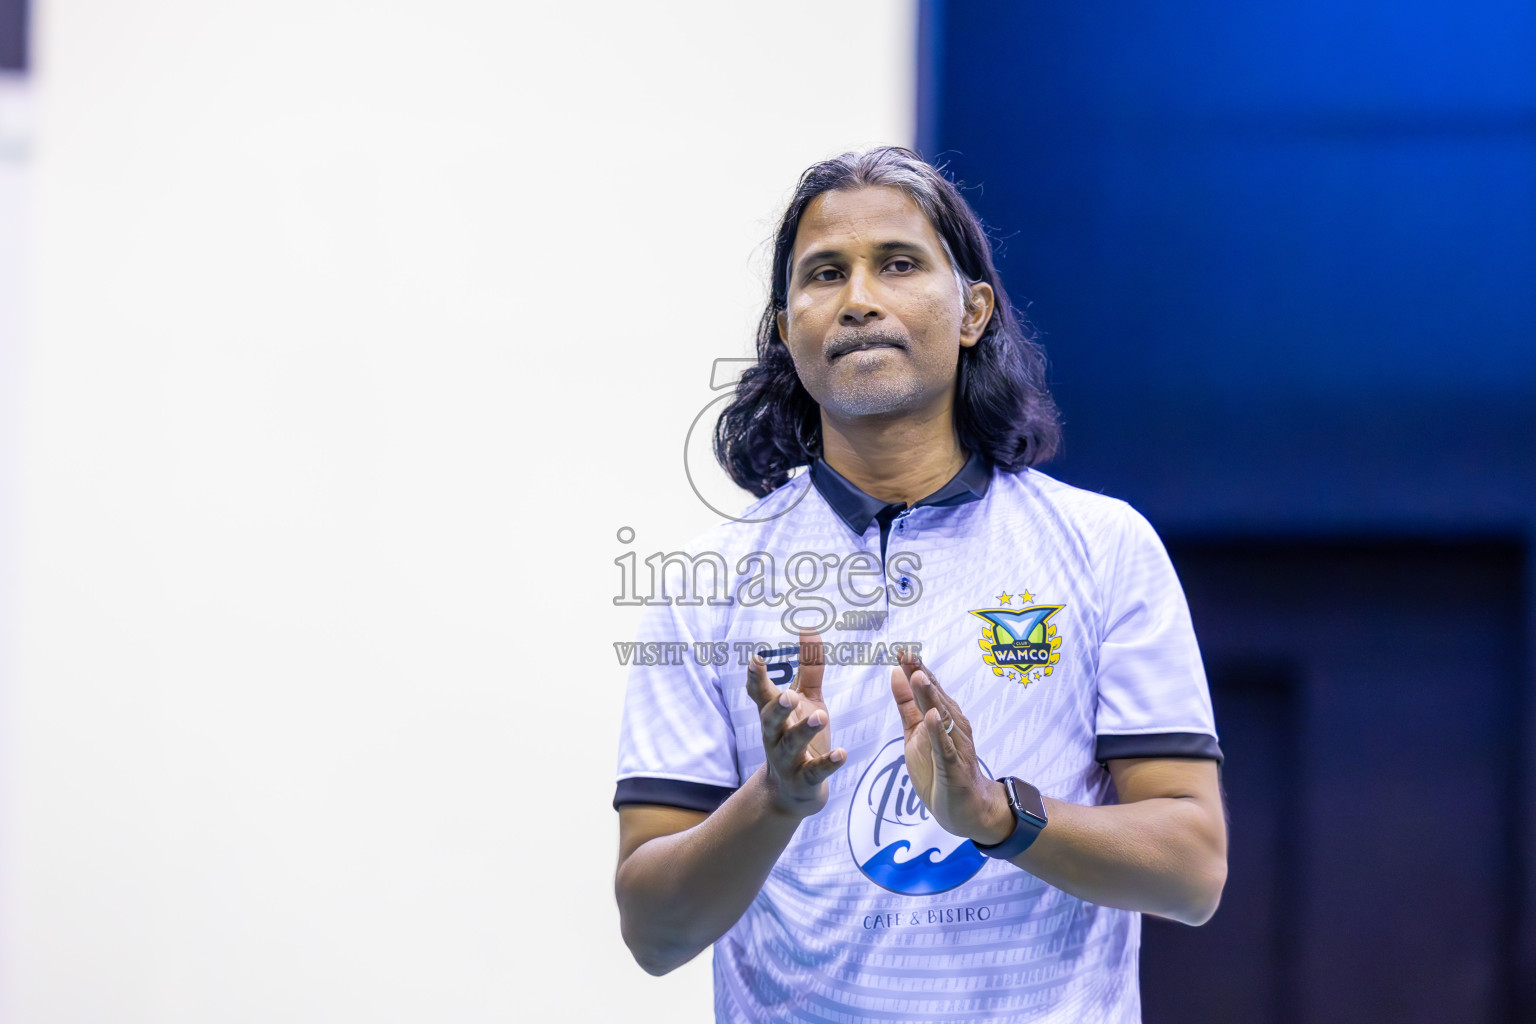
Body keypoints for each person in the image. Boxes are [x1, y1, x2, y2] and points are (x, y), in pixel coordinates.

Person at [612, 146, 1226, 1024]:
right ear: (789, 330)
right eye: (825, 274)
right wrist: (775, 798)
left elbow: (1192, 870)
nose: (859, 298)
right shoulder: (708, 584)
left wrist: (995, 814)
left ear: (973, 309)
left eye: (897, 264)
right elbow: (655, 932)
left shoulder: (1104, 548)